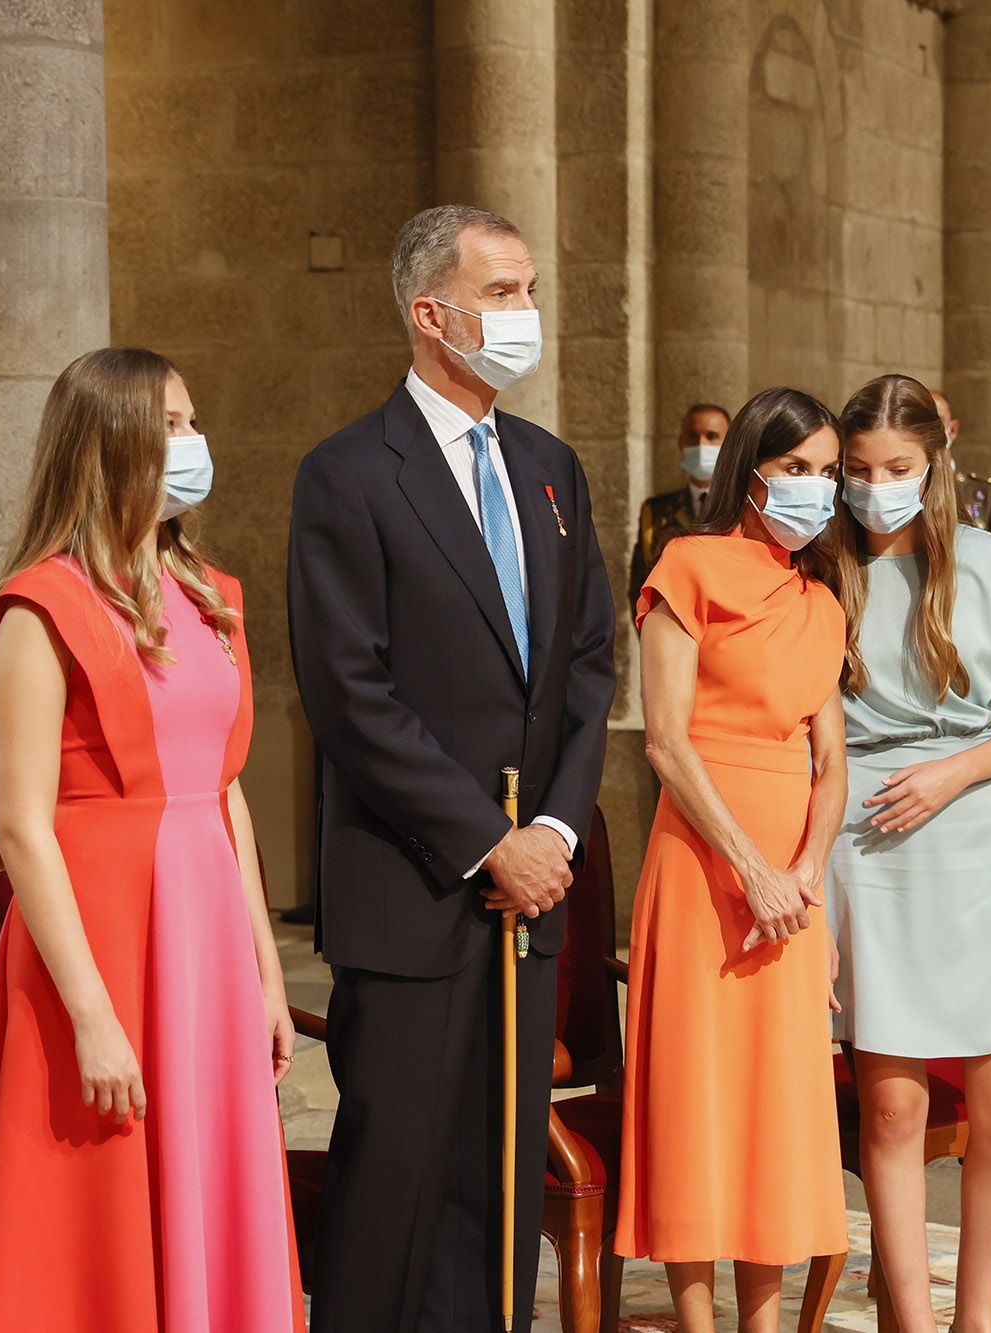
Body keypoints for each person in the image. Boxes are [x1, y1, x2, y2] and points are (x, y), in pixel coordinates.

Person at [286, 205, 615, 1332]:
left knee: (498, 1174)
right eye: (505, 294)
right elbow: (349, 691)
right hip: (416, 886)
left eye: (529, 291)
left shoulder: (549, 468)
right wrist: (491, 841)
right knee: (396, 1174)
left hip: (533, 895)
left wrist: (557, 835)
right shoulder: (347, 473)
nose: (526, 317)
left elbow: (583, 666)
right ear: (432, 314)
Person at [0, 348, 303, 1331]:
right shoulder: (42, 608)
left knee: (210, 1182)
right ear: (112, 447)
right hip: (97, 942)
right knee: (94, 1201)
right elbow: (22, 826)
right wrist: (91, 1014)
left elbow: (224, 792)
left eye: (194, 423)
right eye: (175, 426)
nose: (196, 445)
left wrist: (264, 973)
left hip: (205, 940)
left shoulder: (211, 597)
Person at [825, 374, 991, 1333]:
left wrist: (953, 773)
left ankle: (977, 1319)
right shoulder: (821, 566)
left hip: (969, 838)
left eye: (897, 468)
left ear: (935, 463)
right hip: (865, 842)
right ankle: (914, 1324)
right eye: (857, 469)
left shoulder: (990, 562)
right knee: (890, 1110)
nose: (875, 486)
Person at [617, 386, 850, 1333]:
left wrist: (804, 871)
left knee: (775, 1107)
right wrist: (752, 867)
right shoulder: (689, 566)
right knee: (696, 1095)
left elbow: (830, 760)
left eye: (828, 474)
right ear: (750, 468)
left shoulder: (824, 600)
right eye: (798, 469)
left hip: (791, 890)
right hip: (702, 873)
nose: (817, 489)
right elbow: (667, 742)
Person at [628, 403, 730, 612]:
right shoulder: (656, 511)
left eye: (712, 437)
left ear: (729, 445)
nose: (701, 445)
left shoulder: (743, 508)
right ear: (681, 443)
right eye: (692, 436)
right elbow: (640, 586)